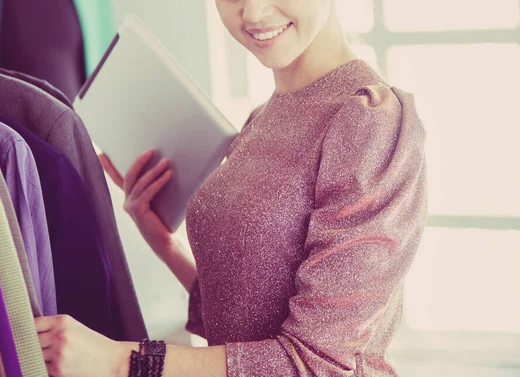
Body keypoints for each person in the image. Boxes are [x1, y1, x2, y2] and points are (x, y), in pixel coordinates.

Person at [34, 0, 427, 376]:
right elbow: (244, 315)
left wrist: (120, 362)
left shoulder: (371, 120)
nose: (253, 13)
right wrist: (162, 242)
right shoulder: (263, 117)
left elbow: (314, 364)